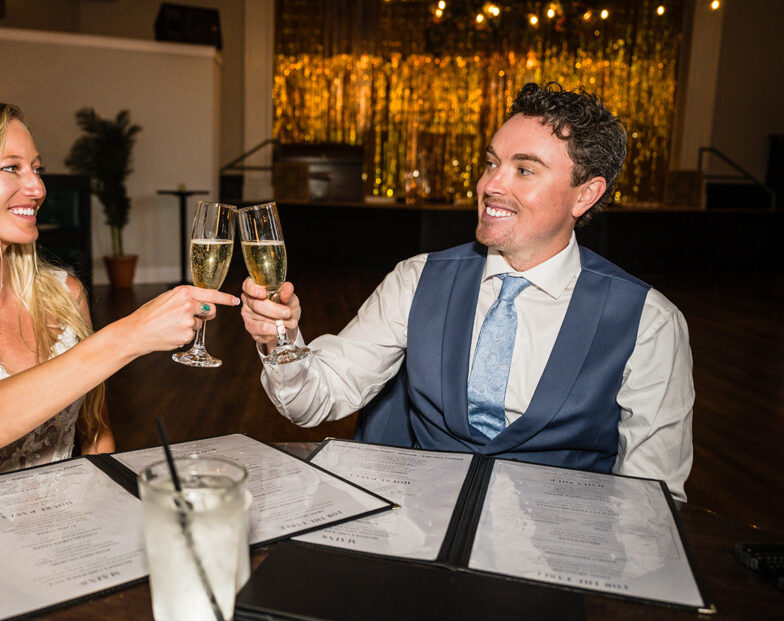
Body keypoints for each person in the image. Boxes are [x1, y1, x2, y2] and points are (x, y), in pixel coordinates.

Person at [241, 82, 693, 501]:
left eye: (524, 170)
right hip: (417, 530)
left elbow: (651, 497)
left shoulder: (648, 322)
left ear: (585, 195)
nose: (490, 185)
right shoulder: (416, 280)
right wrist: (278, 337)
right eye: (492, 163)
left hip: (555, 560)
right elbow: (315, 399)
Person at [0, 96, 238, 483]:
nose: (37, 187)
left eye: (36, 168)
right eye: (10, 168)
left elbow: (96, 435)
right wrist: (130, 334)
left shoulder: (64, 295)